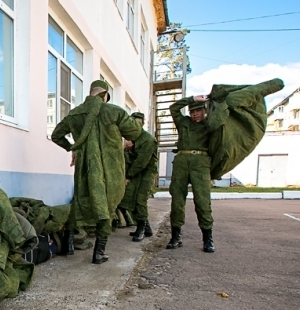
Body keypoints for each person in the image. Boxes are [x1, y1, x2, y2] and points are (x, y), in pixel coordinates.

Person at [51, 80, 142, 264]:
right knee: (107, 205)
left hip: (85, 168)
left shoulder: (75, 114)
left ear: (91, 93)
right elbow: (134, 132)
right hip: (110, 168)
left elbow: (56, 135)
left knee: (79, 202)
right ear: (105, 95)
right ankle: (99, 253)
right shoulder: (114, 111)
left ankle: (68, 244)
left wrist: (73, 148)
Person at [166, 95, 215, 252]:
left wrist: (208, 101)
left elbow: (221, 116)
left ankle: (208, 239)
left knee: (202, 201)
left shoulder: (210, 124)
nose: (195, 114)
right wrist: (192, 98)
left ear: (204, 111)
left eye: (198, 111)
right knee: (177, 201)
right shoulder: (184, 122)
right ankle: (176, 237)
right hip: (181, 161)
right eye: (192, 111)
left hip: (200, 163)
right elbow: (173, 108)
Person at [118, 112, 158, 242]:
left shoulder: (148, 139)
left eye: (138, 121)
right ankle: (146, 228)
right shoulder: (129, 138)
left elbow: (142, 162)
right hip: (134, 171)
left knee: (140, 199)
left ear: (143, 123)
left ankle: (141, 228)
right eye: (133, 121)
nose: (135, 124)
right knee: (128, 199)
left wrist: (128, 176)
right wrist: (125, 148)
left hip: (147, 171)